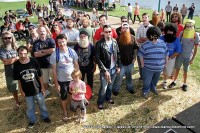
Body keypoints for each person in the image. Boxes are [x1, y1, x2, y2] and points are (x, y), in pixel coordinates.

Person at [13, 46, 51, 128]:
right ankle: (32, 120)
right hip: (27, 91)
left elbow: (40, 75)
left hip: (37, 89)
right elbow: (19, 80)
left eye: (25, 53)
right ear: (18, 53)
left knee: (42, 104)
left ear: (27, 53)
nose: (23, 55)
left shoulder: (34, 61)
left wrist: (42, 87)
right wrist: (21, 90)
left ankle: (45, 117)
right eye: (21, 53)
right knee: (30, 107)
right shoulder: (16, 65)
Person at [50, 34, 79, 121]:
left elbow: (76, 65)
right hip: (62, 80)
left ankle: (73, 107)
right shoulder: (55, 54)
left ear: (66, 41)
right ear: (57, 43)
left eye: (63, 41)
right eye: (59, 42)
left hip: (72, 79)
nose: (61, 44)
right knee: (64, 96)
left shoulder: (72, 51)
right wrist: (56, 83)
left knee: (73, 94)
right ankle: (65, 111)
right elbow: (54, 71)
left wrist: (78, 78)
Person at [138, 26, 168, 99]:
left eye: (156, 36)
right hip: (148, 68)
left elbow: (166, 53)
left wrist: (166, 63)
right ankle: (145, 90)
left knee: (155, 80)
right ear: (149, 36)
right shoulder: (145, 45)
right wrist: (142, 64)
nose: (154, 39)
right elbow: (140, 54)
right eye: (152, 36)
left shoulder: (163, 43)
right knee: (146, 82)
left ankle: (153, 87)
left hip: (159, 68)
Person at [169, 19, 199, 91]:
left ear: (193, 26)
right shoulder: (182, 33)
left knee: (185, 71)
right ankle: (174, 81)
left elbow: (195, 48)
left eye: (190, 26)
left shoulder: (195, 35)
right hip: (180, 55)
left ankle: (184, 84)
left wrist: (192, 59)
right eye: (187, 26)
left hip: (188, 56)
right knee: (177, 69)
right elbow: (178, 44)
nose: (188, 27)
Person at [95, 25, 120, 110]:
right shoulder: (99, 43)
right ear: (103, 33)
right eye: (106, 32)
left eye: (110, 31)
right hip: (105, 69)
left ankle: (108, 98)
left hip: (113, 68)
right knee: (104, 87)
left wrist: (118, 66)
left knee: (110, 85)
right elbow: (98, 59)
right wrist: (104, 71)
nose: (108, 33)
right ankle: (100, 102)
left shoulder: (114, 42)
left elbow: (118, 54)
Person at [112, 22, 138, 96]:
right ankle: (115, 89)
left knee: (129, 76)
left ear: (129, 29)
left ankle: (130, 87)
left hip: (130, 61)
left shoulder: (133, 37)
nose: (125, 29)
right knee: (119, 77)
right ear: (121, 29)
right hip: (121, 62)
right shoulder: (117, 39)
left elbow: (135, 48)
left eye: (127, 28)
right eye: (124, 28)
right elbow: (115, 52)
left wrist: (135, 57)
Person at [32, 26, 56, 97]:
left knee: (55, 79)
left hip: (52, 65)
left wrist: (42, 51)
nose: (42, 33)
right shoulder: (36, 43)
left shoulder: (50, 40)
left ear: (46, 32)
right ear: (38, 32)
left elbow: (53, 50)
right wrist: (48, 51)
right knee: (44, 82)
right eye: (40, 31)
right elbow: (36, 54)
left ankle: (59, 91)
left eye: (43, 31)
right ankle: (46, 92)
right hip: (42, 66)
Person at [0, 31, 20, 110]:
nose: (7, 39)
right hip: (10, 72)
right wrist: (17, 58)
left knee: (23, 85)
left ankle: (25, 98)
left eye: (9, 38)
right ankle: (17, 101)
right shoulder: (1, 50)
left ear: (12, 38)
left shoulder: (16, 47)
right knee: (13, 88)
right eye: (5, 38)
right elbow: (6, 62)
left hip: (20, 70)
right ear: (2, 39)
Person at [160, 23, 182, 89]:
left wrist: (171, 57)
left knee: (167, 72)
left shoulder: (177, 39)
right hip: (161, 58)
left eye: (171, 31)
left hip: (170, 58)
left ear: (174, 32)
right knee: (158, 70)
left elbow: (178, 51)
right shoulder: (161, 38)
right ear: (166, 31)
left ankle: (164, 82)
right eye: (168, 31)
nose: (169, 32)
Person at [136, 13, 153, 79]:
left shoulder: (152, 27)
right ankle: (142, 76)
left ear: (148, 18)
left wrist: (143, 39)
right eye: (143, 17)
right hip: (140, 49)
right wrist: (146, 39)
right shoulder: (139, 27)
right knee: (140, 64)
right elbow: (137, 39)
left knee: (148, 63)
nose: (144, 19)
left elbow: (153, 39)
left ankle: (148, 76)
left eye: (146, 17)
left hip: (150, 49)